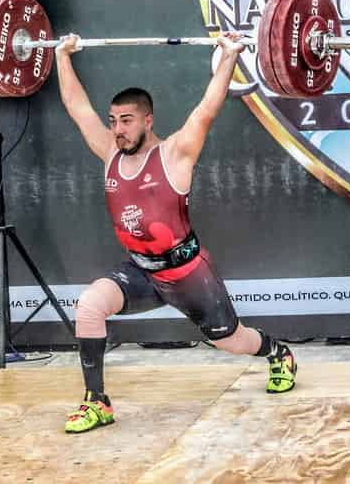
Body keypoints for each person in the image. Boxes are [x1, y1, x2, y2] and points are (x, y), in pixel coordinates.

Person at [55, 32, 297, 434]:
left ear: (147, 120)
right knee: (90, 305)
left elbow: (206, 110)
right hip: (141, 272)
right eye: (113, 121)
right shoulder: (110, 154)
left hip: (187, 275)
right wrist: (63, 55)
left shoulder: (175, 153)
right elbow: (76, 107)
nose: (117, 129)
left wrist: (230, 57)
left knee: (230, 341)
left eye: (126, 121)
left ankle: (277, 351)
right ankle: (97, 401)